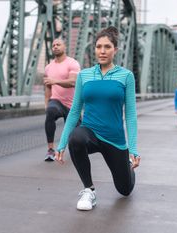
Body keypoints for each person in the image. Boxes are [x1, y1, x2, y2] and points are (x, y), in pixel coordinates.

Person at [55, 26, 140, 211]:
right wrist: (61, 143)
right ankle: (89, 190)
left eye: (107, 47)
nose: (102, 51)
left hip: (115, 140)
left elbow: (131, 114)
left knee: (124, 190)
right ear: (94, 48)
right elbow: (75, 110)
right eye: (99, 46)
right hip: (90, 133)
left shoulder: (126, 76)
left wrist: (133, 149)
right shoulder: (84, 75)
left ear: (115, 50)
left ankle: (127, 169)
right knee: (76, 138)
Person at [43, 38, 81, 161]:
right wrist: (46, 103)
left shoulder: (72, 63)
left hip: (72, 105)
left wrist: (55, 81)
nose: (55, 46)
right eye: (53, 45)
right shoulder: (48, 67)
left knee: (76, 138)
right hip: (57, 101)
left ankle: (76, 151)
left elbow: (72, 82)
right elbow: (48, 87)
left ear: (64, 47)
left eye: (58, 44)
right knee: (50, 111)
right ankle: (50, 150)